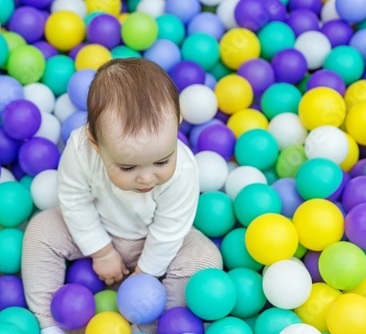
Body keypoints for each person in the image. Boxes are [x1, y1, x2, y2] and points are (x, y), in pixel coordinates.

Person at [22, 58, 223, 334]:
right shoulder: (81, 149)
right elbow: (74, 200)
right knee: (41, 230)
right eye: (127, 167)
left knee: (204, 258)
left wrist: (145, 275)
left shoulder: (184, 169)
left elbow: (170, 230)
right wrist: (100, 250)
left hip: (152, 240)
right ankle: (47, 322)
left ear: (177, 122)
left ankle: (151, 325)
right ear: (95, 142)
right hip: (97, 227)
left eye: (162, 162)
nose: (146, 177)